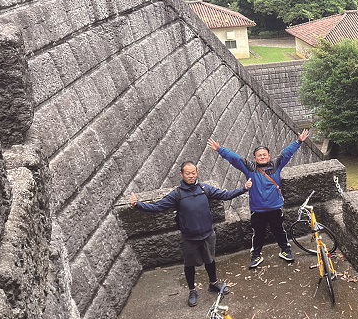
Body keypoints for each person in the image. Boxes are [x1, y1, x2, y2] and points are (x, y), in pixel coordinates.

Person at [129, 162, 252, 307]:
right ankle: (192, 290)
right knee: (189, 266)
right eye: (188, 173)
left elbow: (225, 195)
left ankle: (213, 283)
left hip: (207, 234)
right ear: (181, 174)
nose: (191, 175)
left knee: (210, 260)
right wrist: (138, 204)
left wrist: (243, 189)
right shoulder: (177, 194)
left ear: (197, 173)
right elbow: (157, 207)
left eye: (193, 172)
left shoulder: (204, 189)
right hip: (189, 237)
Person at [207, 129, 309, 269]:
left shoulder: (276, 164)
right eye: (259, 155)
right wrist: (220, 150)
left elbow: (287, 153)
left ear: (269, 156)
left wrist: (299, 141)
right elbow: (235, 158)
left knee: (279, 231)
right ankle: (256, 256)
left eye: (264, 155)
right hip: (258, 209)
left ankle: (286, 251)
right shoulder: (249, 167)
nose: (262, 157)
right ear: (255, 158)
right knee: (258, 234)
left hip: (275, 207)